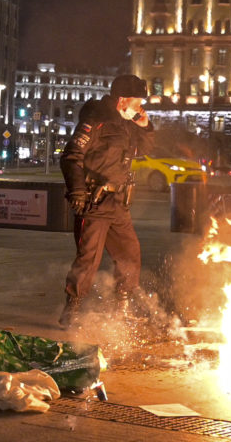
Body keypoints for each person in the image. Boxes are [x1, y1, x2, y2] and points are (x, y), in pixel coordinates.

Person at [58, 74, 154, 327]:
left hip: (119, 203)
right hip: (95, 201)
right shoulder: (95, 121)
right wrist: (77, 192)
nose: (140, 107)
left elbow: (143, 150)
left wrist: (145, 127)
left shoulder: (127, 123)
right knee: (88, 258)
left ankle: (121, 306)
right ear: (121, 100)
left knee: (130, 255)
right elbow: (70, 157)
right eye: (136, 102)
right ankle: (73, 309)